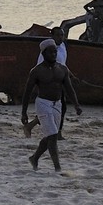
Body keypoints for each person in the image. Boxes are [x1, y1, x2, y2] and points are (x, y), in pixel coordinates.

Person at [20, 39, 83, 172]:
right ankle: (57, 168)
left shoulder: (62, 69)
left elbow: (69, 88)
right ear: (44, 53)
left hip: (57, 104)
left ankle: (35, 158)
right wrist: (24, 112)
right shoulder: (36, 71)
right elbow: (27, 92)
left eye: (55, 52)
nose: (54, 54)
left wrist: (76, 105)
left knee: (50, 135)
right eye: (51, 52)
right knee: (53, 135)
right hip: (43, 103)